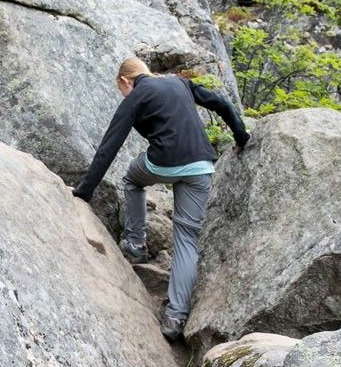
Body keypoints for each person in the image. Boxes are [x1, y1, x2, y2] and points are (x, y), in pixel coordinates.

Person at [71, 57, 250, 341]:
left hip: (163, 163)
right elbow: (222, 104)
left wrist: (84, 192)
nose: (123, 94)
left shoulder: (137, 94)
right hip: (201, 165)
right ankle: (175, 317)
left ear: (125, 81)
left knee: (131, 179)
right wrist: (242, 138)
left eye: (121, 89)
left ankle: (135, 243)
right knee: (187, 239)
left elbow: (109, 146)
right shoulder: (180, 82)